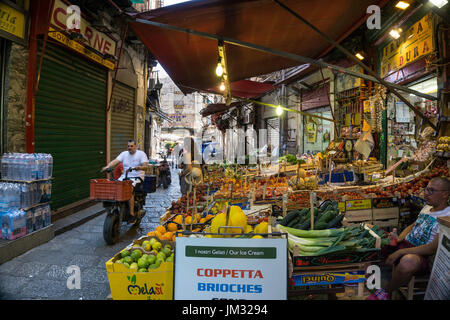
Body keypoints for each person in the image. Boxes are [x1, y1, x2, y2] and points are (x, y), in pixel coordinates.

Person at [367, 176, 450, 300]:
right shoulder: (427, 207)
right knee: (369, 231)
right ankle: (361, 277)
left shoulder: (447, 217)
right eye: (426, 189)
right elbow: (412, 226)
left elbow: (432, 248)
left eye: (431, 191)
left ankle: (385, 292)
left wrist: (400, 252)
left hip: (422, 255)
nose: (426, 194)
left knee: (408, 262)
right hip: (406, 244)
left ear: (445, 194)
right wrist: (398, 238)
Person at [101, 140, 149, 223]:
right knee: (114, 186)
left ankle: (131, 213)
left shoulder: (141, 154)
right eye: (128, 146)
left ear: (136, 147)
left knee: (129, 188)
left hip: (137, 177)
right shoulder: (124, 154)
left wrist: (139, 167)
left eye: (131, 146)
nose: (129, 148)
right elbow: (115, 161)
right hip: (124, 177)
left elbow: (145, 166)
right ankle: (114, 206)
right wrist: (107, 166)